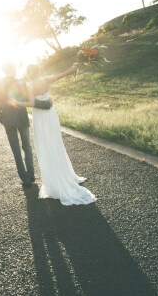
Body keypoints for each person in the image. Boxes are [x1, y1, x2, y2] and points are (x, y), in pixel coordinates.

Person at [13, 63, 97, 205]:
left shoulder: (30, 86)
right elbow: (61, 75)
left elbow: (32, 102)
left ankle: (53, 179)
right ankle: (64, 174)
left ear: (29, 73)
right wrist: (72, 68)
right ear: (39, 71)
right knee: (55, 142)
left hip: (40, 116)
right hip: (51, 113)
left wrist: (17, 103)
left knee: (45, 144)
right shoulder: (45, 80)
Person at [0, 62, 44, 187]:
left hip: (7, 118)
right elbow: (28, 100)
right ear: (14, 70)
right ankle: (31, 174)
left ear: (3, 71)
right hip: (21, 115)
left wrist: (1, 118)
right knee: (27, 146)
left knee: (15, 150)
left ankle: (24, 178)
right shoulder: (22, 83)